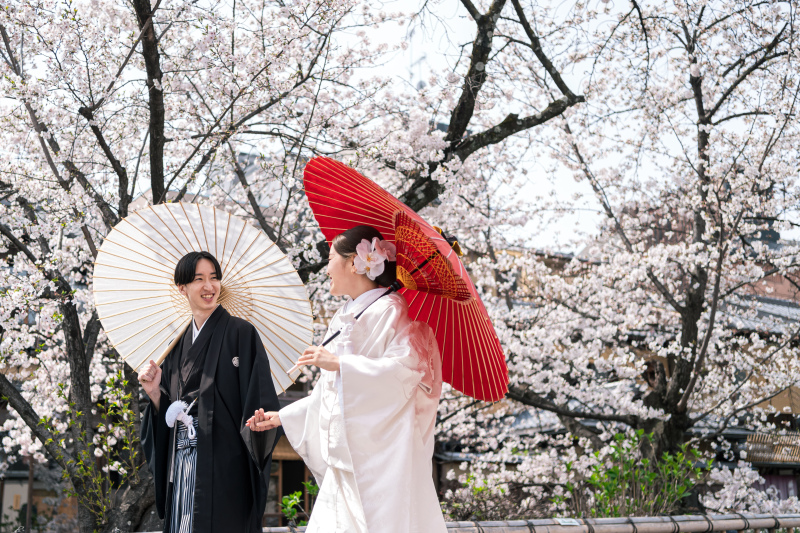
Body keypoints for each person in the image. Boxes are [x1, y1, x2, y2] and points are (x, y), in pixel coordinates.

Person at [247, 225, 447, 533]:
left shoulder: (390, 309)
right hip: (345, 455)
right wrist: (284, 416)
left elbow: (406, 371)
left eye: (330, 259)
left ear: (355, 262)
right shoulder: (346, 315)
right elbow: (332, 392)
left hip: (375, 459)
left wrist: (341, 363)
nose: (326, 268)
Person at [139, 251, 281, 533]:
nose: (209, 287)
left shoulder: (242, 333)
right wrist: (155, 394)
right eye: (199, 279)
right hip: (181, 463)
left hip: (226, 465)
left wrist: (257, 427)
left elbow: (259, 400)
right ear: (182, 288)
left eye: (214, 278)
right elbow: (167, 412)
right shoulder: (176, 345)